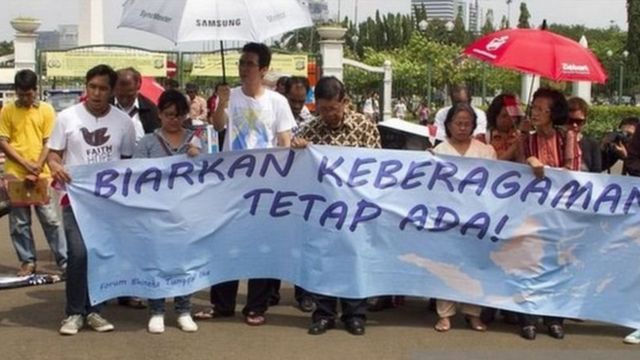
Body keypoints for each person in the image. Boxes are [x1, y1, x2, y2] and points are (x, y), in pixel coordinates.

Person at [196, 42, 296, 326]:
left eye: (249, 64)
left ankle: (256, 306)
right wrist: (223, 102)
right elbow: (217, 127)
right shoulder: (230, 96)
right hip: (231, 183)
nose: (242, 68)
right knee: (226, 242)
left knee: (261, 244)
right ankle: (222, 303)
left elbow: (284, 141)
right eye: (241, 63)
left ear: (263, 69)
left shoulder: (277, 102)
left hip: (266, 183)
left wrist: (283, 178)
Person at [48, 64, 136, 335]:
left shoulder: (124, 123)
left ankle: (95, 311)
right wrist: (56, 167)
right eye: (92, 87)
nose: (96, 93)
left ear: (112, 91)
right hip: (74, 199)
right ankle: (74, 313)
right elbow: (53, 155)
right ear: (86, 87)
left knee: (99, 255)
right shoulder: (66, 118)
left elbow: (128, 163)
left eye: (103, 88)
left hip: (107, 203)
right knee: (78, 252)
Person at [292, 76, 381, 336]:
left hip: (355, 207)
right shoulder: (310, 129)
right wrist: (298, 149)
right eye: (322, 108)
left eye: (333, 108)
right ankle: (324, 313)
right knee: (323, 259)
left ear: (344, 102)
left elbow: (378, 166)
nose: (328, 114)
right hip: (322, 208)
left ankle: (354, 314)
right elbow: (293, 167)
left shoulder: (364, 126)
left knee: (354, 259)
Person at [133, 89, 200, 334]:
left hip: (187, 213)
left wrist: (199, 157)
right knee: (157, 261)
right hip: (156, 213)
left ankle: (183, 309)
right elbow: (136, 174)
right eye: (168, 114)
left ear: (185, 115)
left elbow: (212, 173)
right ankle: (157, 310)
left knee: (185, 262)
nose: (173, 119)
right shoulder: (148, 142)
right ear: (160, 114)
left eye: (178, 114)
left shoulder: (196, 140)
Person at [518, 87, 580, 340]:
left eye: (543, 109)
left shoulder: (568, 137)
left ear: (554, 113)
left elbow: (572, 171)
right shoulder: (526, 139)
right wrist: (528, 158)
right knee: (529, 262)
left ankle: (555, 318)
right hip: (531, 211)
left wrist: (550, 170)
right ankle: (527, 318)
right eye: (535, 107)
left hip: (559, 212)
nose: (536, 112)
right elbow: (517, 168)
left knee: (557, 262)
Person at [431, 102, 495, 333]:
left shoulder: (486, 152)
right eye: (458, 123)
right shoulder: (439, 152)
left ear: (474, 126)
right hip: (447, 217)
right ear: (448, 125)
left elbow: (495, 184)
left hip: (477, 217)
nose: (462, 128)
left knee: (474, 266)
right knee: (446, 265)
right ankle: (445, 314)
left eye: (467, 124)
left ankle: (473, 313)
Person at [0, 69, 66, 276]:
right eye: (21, 94)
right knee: (19, 223)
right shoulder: (8, 111)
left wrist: (36, 166)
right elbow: (3, 141)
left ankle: (64, 260)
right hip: (16, 174)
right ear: (16, 91)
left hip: (42, 174)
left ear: (36, 90)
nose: (25, 98)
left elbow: (49, 141)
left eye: (29, 94)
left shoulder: (46, 110)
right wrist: (25, 165)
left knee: (51, 220)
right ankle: (27, 261)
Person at [112, 67, 160, 144]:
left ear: (138, 85)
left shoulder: (151, 110)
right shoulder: (103, 107)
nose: (125, 100)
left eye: (129, 95)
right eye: (120, 95)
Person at [481, 93, 524, 162]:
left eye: (513, 116)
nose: (509, 120)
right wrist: (513, 149)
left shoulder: (522, 138)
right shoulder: (483, 140)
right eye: (504, 116)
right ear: (494, 116)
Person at [567, 97, 601, 172]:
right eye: (570, 121)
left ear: (585, 121)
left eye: (579, 121)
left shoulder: (592, 144)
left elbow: (596, 173)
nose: (574, 125)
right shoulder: (557, 141)